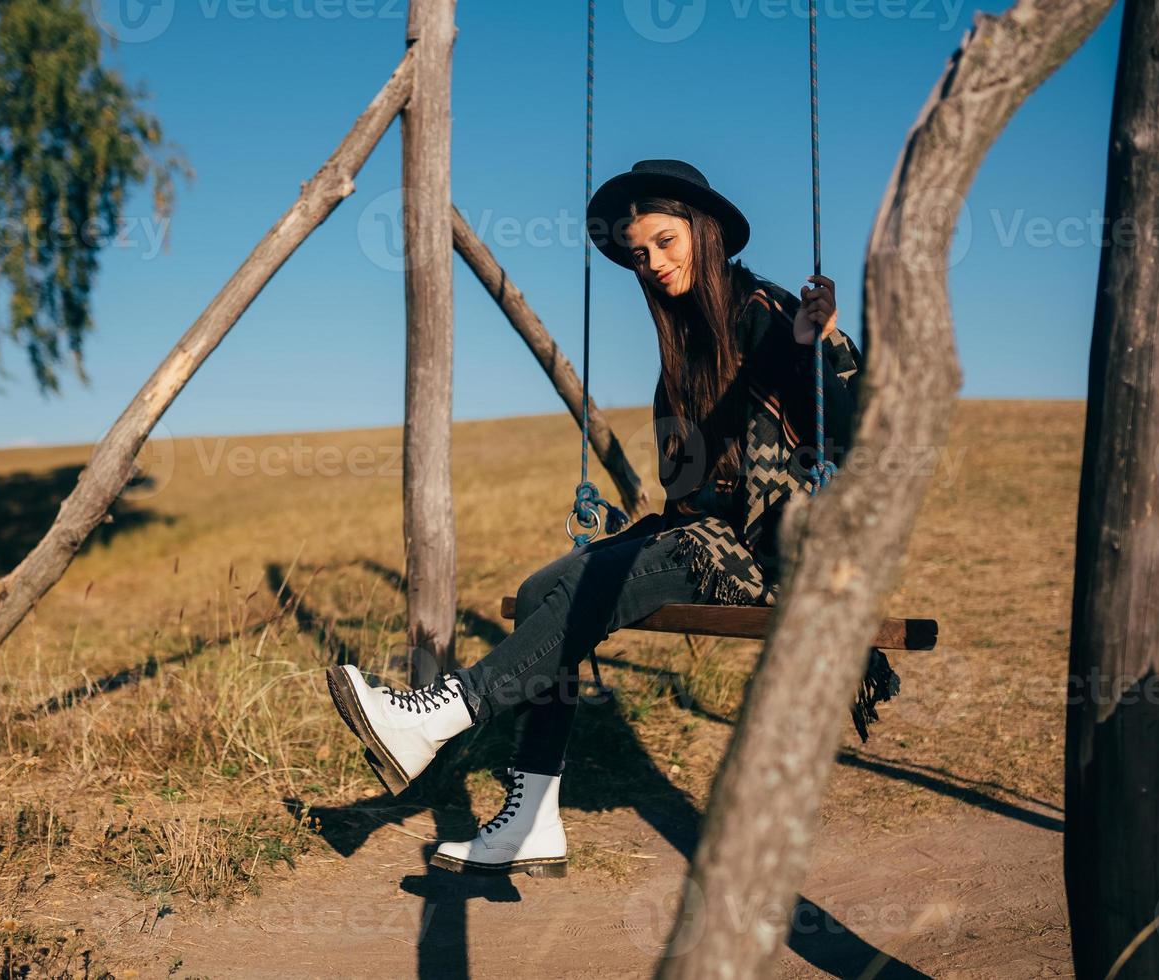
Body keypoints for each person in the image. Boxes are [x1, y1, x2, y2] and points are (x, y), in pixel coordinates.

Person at [324, 159, 896, 880]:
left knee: (627, 570)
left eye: (664, 242)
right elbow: (684, 485)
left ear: (705, 231)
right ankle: (531, 821)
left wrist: (816, 347)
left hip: (769, 552)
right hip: (701, 540)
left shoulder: (768, 313)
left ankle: (440, 715)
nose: (652, 264)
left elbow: (847, 433)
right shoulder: (682, 345)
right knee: (541, 591)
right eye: (639, 254)